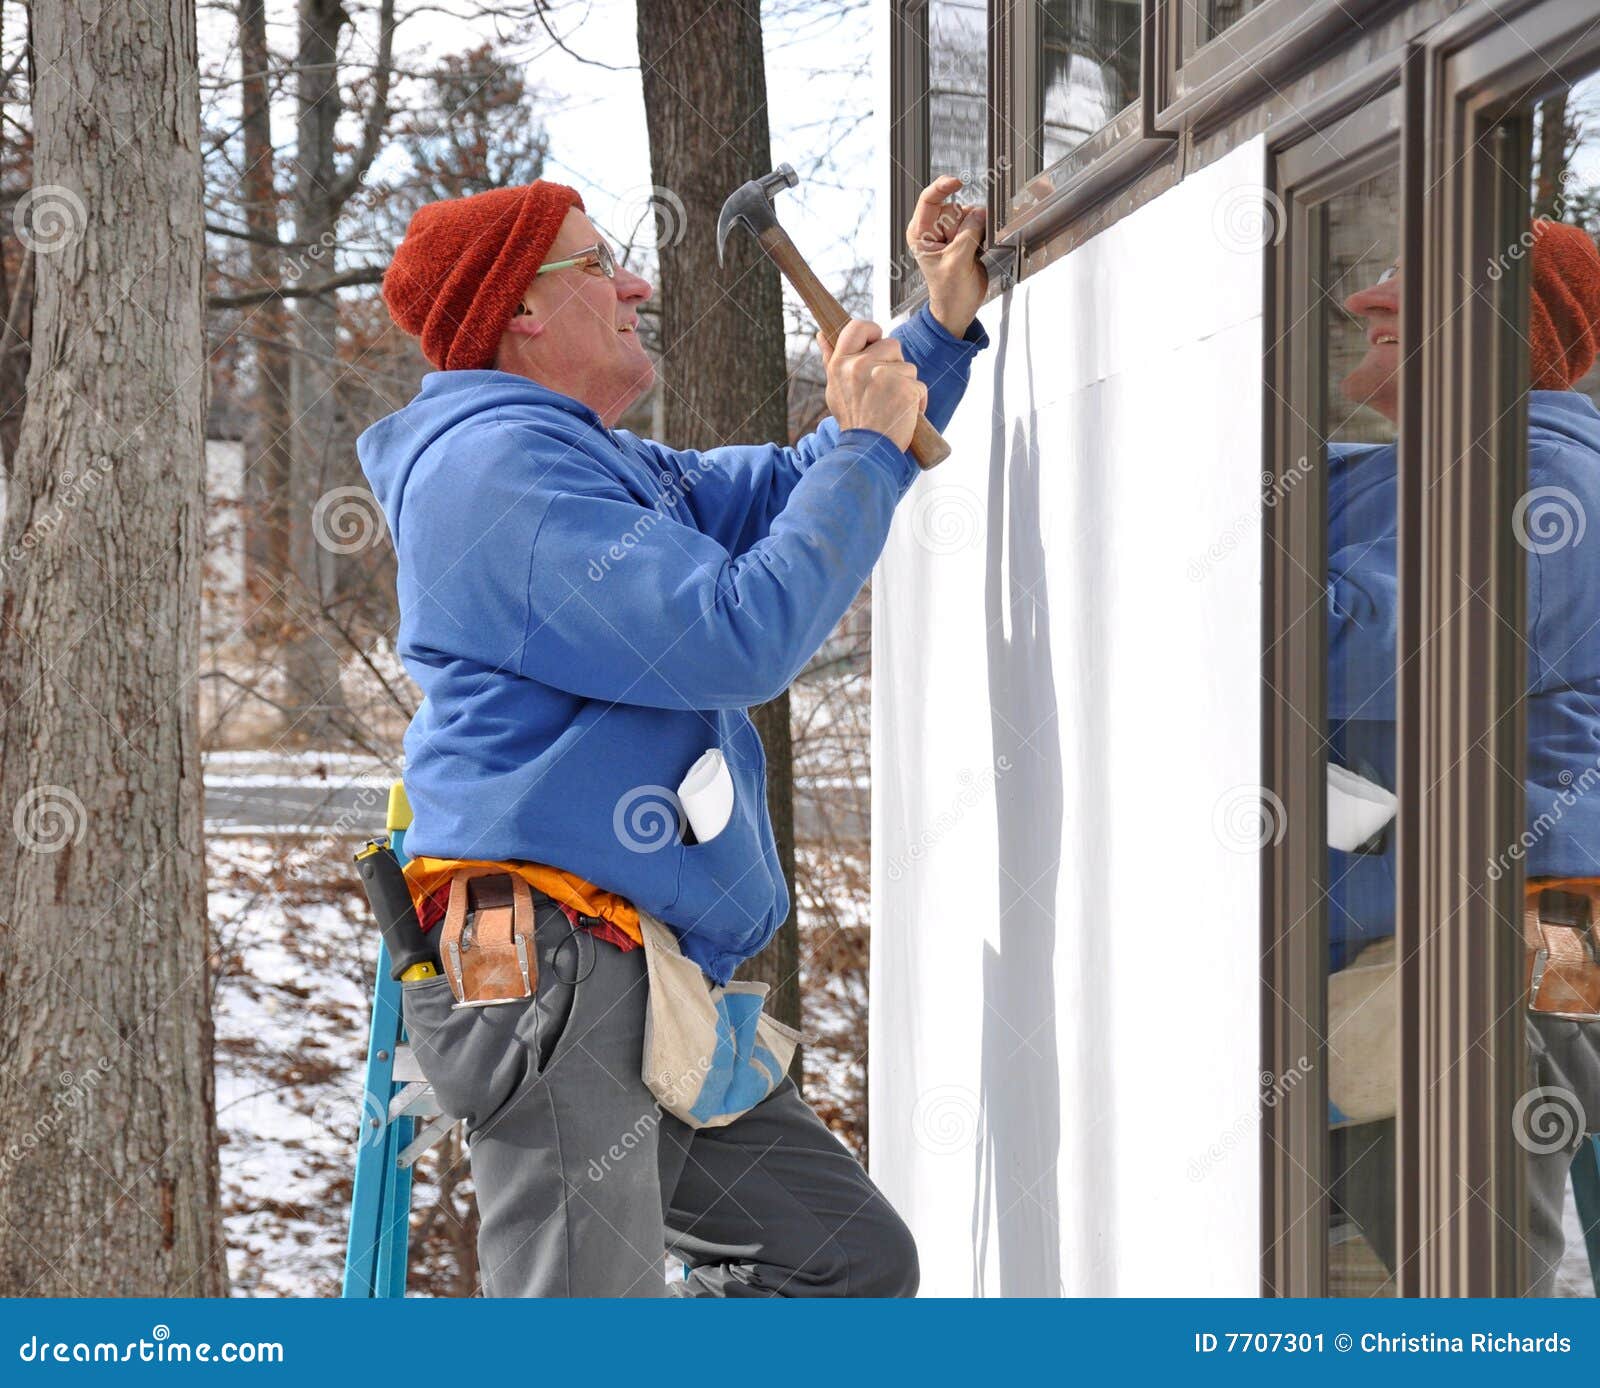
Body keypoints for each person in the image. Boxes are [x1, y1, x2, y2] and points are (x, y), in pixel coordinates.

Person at [357, 175, 990, 1297]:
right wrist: (870, 451)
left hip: (632, 965)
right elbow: (738, 632)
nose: (635, 281)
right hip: (547, 965)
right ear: (521, 311)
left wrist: (928, 338)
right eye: (597, 264)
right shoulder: (495, 477)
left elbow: (805, 478)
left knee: (843, 1258)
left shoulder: (590, 461)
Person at [1327, 218, 1600, 1293]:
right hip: (1478, 934)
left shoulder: (1544, 488)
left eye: (1408, 285)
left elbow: (1353, 640)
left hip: (1491, 948)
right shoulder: (1436, 466)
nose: (1368, 302)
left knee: (1479, 1292)